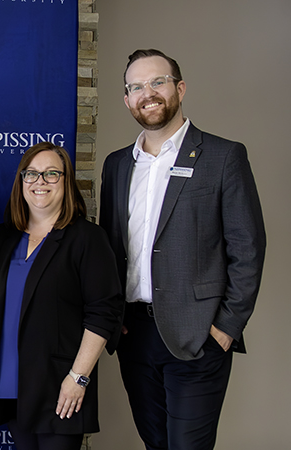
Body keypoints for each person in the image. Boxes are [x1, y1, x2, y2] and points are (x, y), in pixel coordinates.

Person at [100, 49, 265, 450]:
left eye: (157, 82)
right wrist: (114, 318)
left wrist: (225, 328)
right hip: (135, 334)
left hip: (198, 334)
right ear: (127, 99)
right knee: (155, 443)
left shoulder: (223, 157)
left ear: (180, 88)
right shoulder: (117, 165)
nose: (148, 93)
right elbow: (109, 247)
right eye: (136, 87)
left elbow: (248, 248)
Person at [0, 142, 125, 450]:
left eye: (51, 173)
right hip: (11, 385)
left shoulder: (87, 238)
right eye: (31, 174)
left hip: (61, 387)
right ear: (21, 181)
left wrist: (78, 377)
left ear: (66, 181)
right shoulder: (2, 237)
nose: (40, 182)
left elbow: (103, 313)